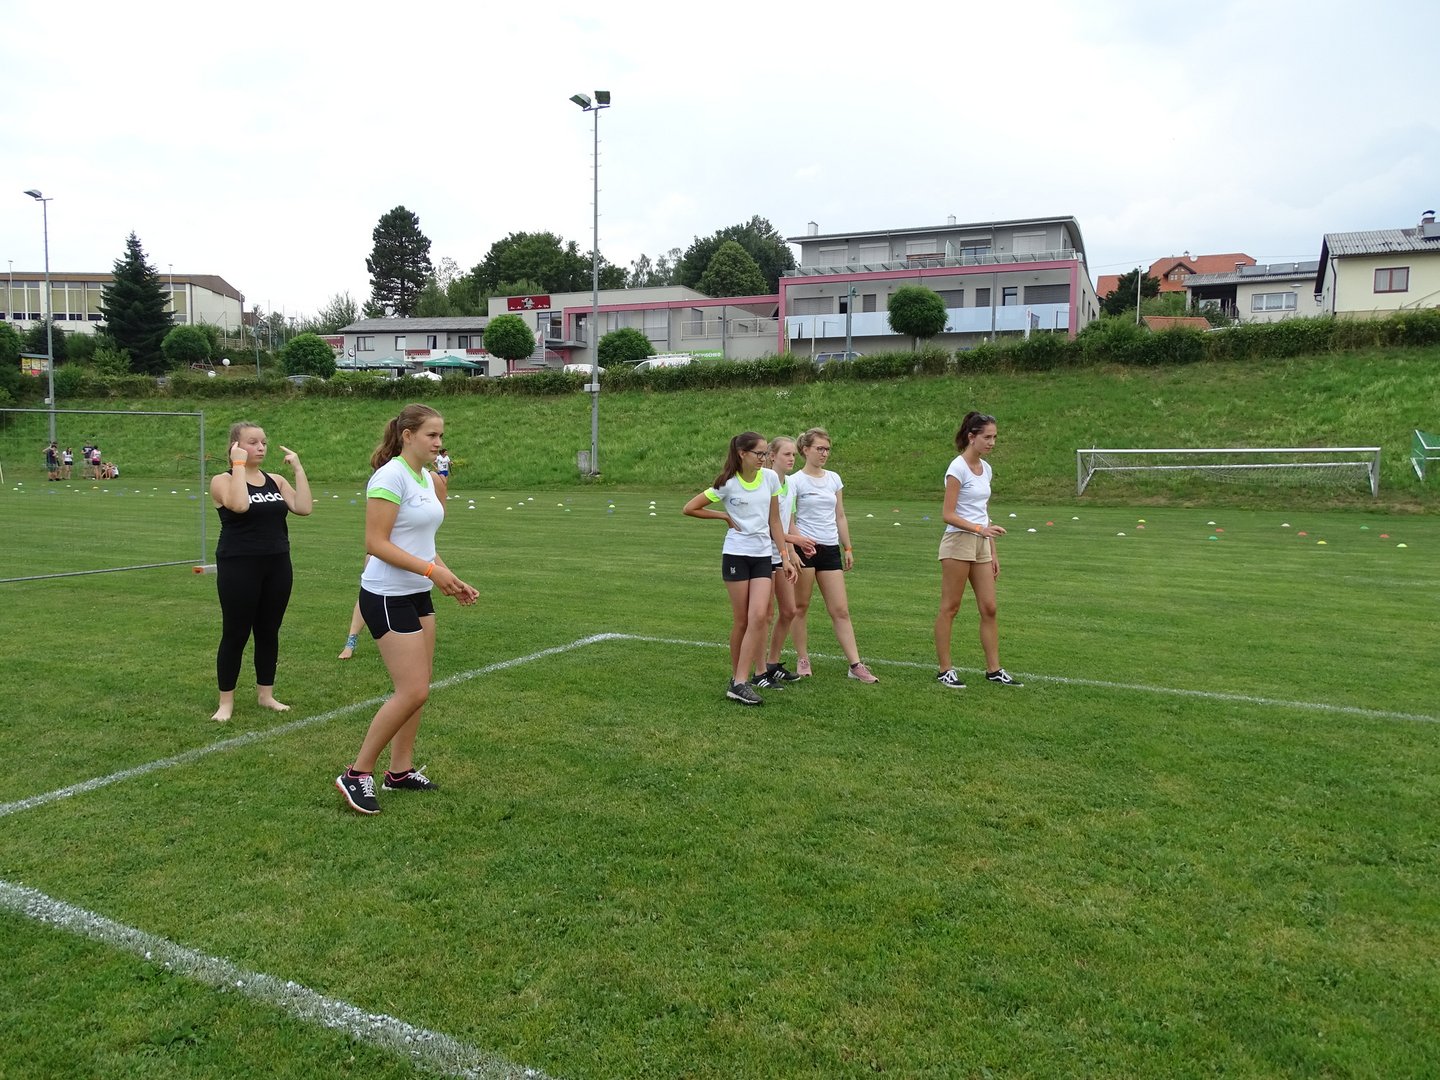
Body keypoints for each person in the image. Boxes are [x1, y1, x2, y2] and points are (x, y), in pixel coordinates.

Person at [336, 404, 477, 815]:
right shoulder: (389, 476)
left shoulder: (428, 479)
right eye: (432, 435)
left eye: (441, 435)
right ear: (407, 435)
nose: (439, 442)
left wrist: (450, 578)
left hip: (417, 593)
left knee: (419, 689)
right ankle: (357, 773)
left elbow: (423, 545)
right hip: (385, 594)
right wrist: (433, 572)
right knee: (412, 690)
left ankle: (399, 771)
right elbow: (376, 543)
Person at [683, 431, 798, 706]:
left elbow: (774, 521)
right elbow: (690, 508)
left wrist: (784, 557)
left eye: (765, 453)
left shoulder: (770, 478)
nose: (763, 458)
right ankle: (738, 680)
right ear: (742, 454)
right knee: (743, 620)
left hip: (762, 557)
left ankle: (741, 681)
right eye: (759, 453)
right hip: (736, 556)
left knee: (758, 616)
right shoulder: (727, 484)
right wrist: (723, 515)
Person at [209, 421, 313, 721]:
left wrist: (298, 469)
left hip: (277, 563)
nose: (261, 447)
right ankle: (226, 702)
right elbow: (240, 505)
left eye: (263, 442)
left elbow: (304, 507)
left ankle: (266, 695)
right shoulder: (222, 480)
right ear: (235, 447)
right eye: (252, 442)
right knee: (236, 633)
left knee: (268, 631)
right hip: (239, 564)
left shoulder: (275, 480)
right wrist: (238, 465)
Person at [935, 411, 1021, 688]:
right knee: (950, 607)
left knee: (989, 607)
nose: (992, 442)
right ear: (971, 437)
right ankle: (945, 670)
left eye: (995, 437)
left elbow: (983, 513)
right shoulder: (957, 468)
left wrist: (992, 550)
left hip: (981, 543)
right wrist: (979, 530)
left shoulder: (987, 469)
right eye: (987, 437)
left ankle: (994, 670)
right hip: (958, 542)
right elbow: (948, 514)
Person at [788, 428, 879, 683]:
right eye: (819, 448)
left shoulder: (834, 479)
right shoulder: (794, 481)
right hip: (804, 549)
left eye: (827, 449)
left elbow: (840, 515)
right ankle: (802, 658)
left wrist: (847, 547)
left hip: (829, 549)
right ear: (805, 450)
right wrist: (799, 544)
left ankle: (855, 665)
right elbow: (788, 519)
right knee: (800, 607)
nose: (824, 453)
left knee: (840, 610)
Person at [754, 436, 815, 687]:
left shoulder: (788, 484)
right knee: (766, 615)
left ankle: (772, 663)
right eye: (786, 454)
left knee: (789, 610)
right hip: (762, 554)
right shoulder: (763, 482)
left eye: (793, 455)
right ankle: (759, 672)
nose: (792, 459)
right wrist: (794, 541)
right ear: (772, 456)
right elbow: (766, 525)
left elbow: (786, 522)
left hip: (780, 554)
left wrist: (794, 549)